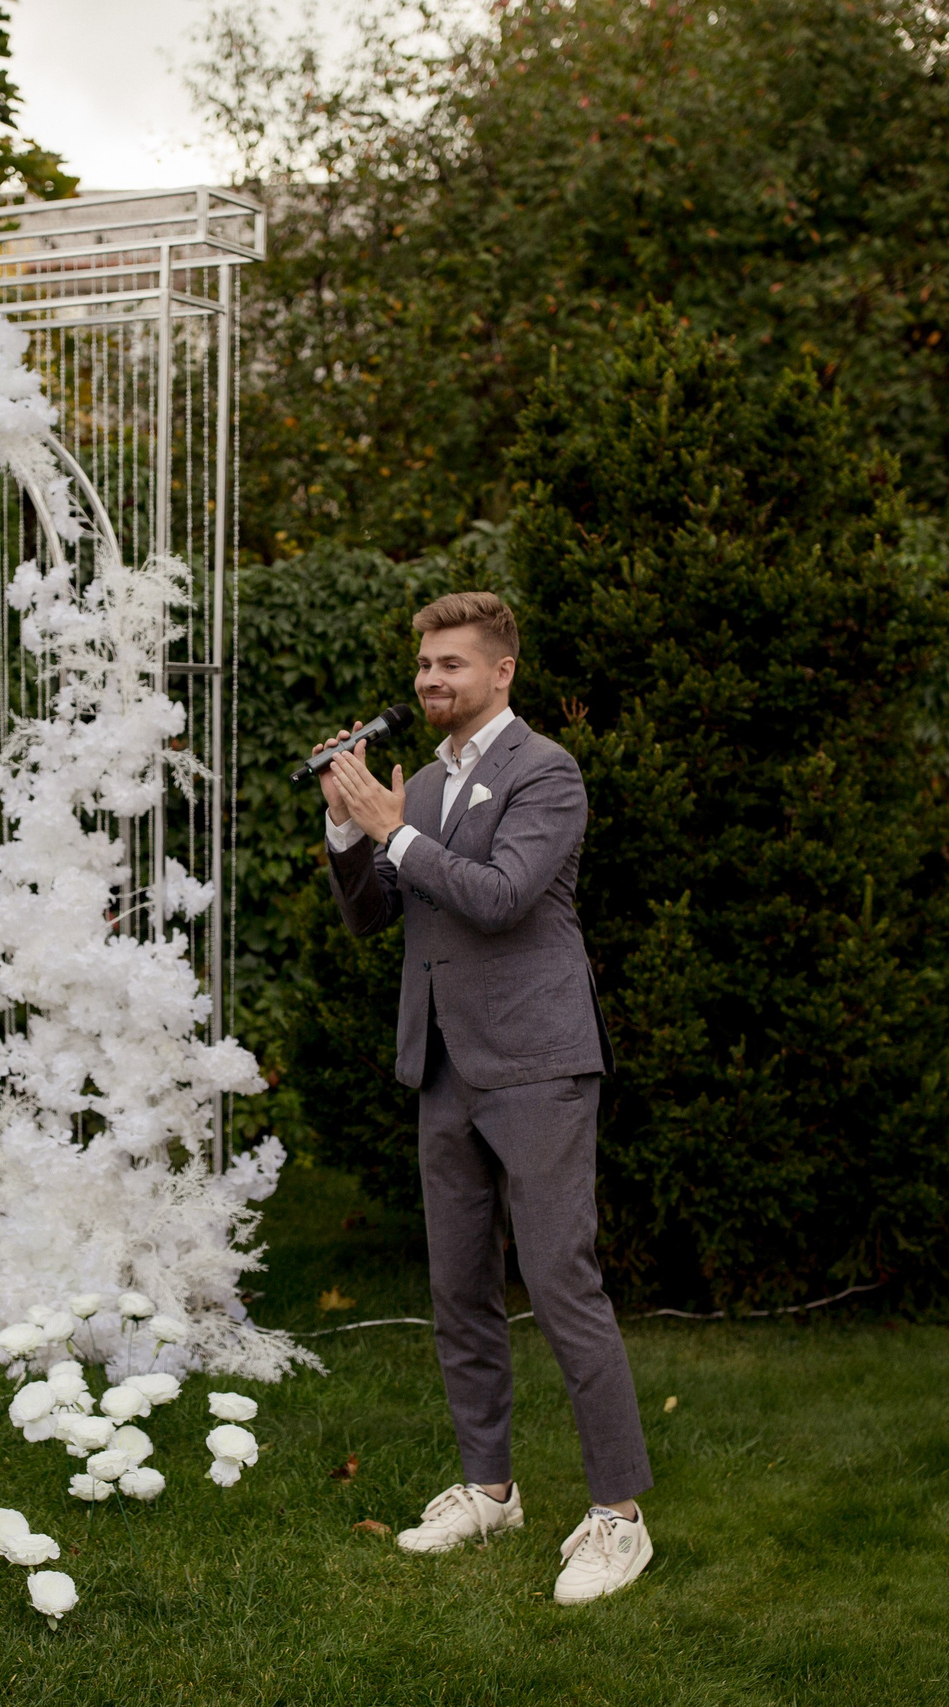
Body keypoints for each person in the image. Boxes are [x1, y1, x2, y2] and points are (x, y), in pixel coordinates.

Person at [314, 589, 654, 1604]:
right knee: (459, 1292)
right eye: (424, 666)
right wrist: (348, 831)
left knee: (561, 1287)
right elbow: (379, 914)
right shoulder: (421, 781)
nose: (430, 681)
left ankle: (619, 1518)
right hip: (444, 1066)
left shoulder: (545, 771)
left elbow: (502, 898)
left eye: (451, 665)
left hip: (538, 1064)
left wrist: (394, 827)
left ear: (500, 672)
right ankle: (488, 1490)